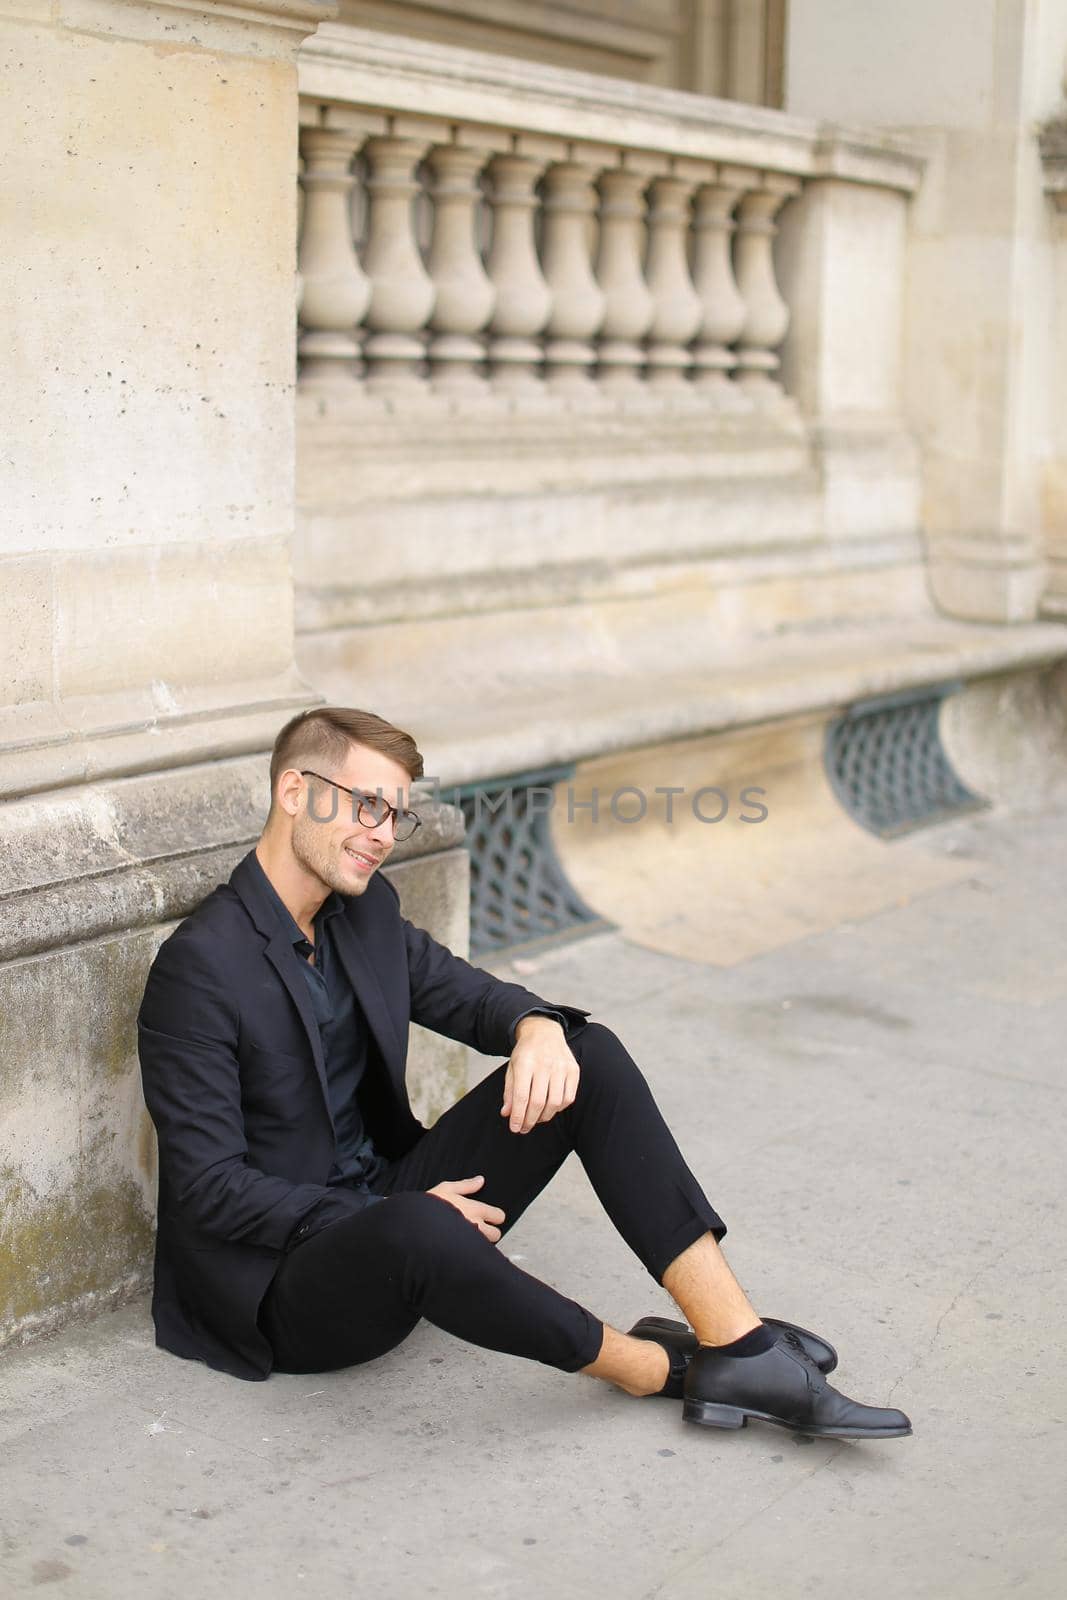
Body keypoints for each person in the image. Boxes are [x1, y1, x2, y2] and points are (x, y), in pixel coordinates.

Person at [137, 706, 912, 1441]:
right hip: (289, 1283)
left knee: (589, 1051)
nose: (382, 836)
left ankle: (736, 1345)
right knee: (416, 1222)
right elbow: (209, 1188)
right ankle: (653, 1369)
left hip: (396, 1202)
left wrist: (535, 1026)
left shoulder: (361, 912)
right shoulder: (201, 967)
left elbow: (465, 993)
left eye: (395, 816)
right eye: (367, 806)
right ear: (294, 791)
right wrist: (366, 1218)